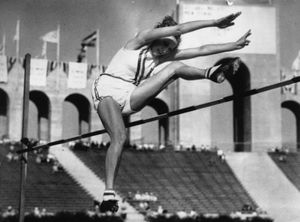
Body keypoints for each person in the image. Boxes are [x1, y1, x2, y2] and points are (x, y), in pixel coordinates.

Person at [91, 11, 251, 212]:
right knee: (119, 137)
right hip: (108, 89)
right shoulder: (139, 41)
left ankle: (210, 73)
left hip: (132, 95)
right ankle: (108, 193)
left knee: (175, 67)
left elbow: (201, 49)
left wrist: (233, 45)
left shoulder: (163, 57)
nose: (164, 50)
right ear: (157, 35)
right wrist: (214, 22)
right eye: (163, 43)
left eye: (170, 47)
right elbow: (178, 29)